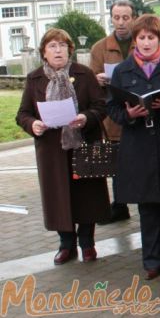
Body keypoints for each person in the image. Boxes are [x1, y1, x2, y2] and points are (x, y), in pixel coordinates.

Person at [107, 14, 160, 280]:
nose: (146, 43)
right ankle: (151, 261)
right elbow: (111, 107)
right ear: (135, 41)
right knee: (148, 210)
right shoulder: (122, 71)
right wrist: (129, 115)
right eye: (141, 38)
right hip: (139, 147)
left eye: (151, 38)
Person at [16, 28, 110, 265]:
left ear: (70, 49)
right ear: (44, 53)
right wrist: (33, 124)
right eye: (52, 46)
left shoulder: (84, 74)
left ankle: (87, 243)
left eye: (62, 45)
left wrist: (86, 118)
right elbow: (23, 114)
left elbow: (101, 106)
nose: (58, 50)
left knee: (86, 195)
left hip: (83, 145)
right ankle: (66, 244)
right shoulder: (35, 78)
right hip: (51, 151)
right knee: (58, 196)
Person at [90, 0, 136, 224]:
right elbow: (91, 80)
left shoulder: (141, 42)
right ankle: (119, 205)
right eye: (116, 17)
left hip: (138, 107)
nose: (120, 22)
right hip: (114, 114)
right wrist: (96, 79)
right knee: (117, 163)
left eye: (125, 17)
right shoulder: (100, 48)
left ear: (133, 19)